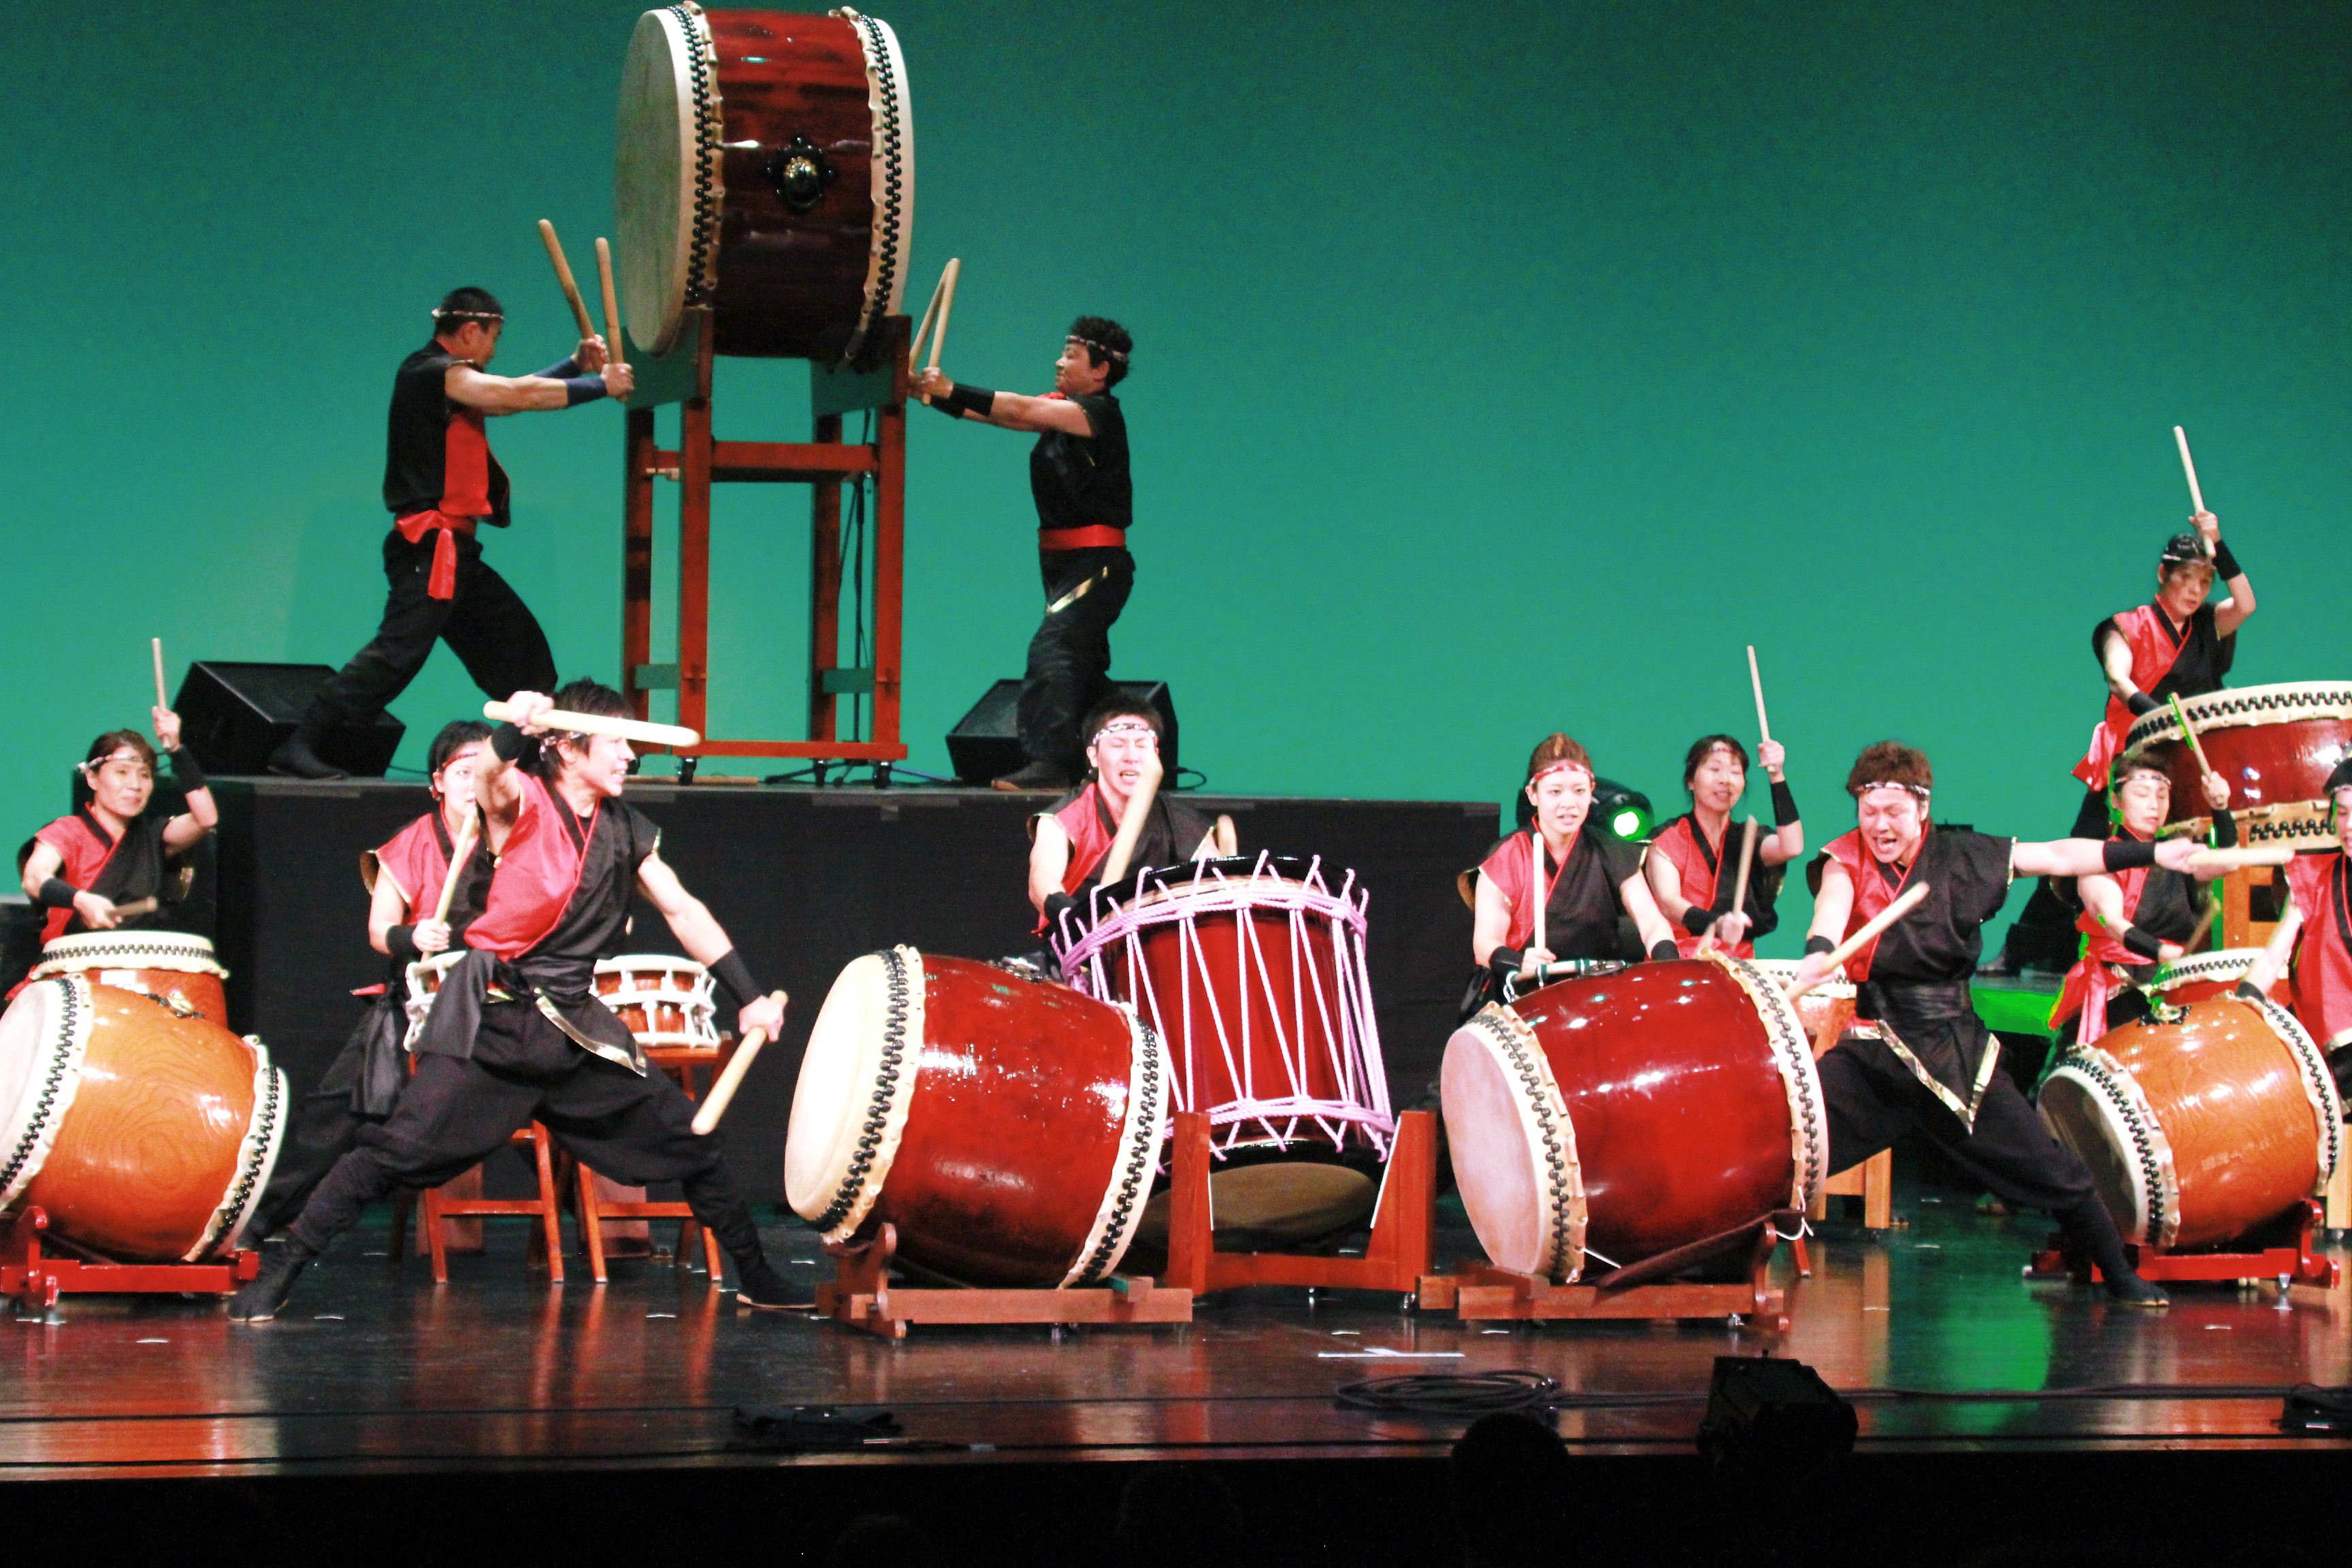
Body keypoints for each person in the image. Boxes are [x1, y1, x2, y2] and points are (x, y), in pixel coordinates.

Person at [235, 681, 796, 1319]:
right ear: (566, 747)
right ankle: (284, 1268)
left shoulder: (626, 829)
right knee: (391, 1153)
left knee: (691, 1144)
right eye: (615, 743)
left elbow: (682, 909)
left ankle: (755, 1273)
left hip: (574, 1033)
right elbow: (492, 776)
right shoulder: (521, 803)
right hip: (496, 1025)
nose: (629, 757)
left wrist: (748, 995)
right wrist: (512, 734)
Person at [1791, 741, 2202, 1305]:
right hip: (1876, 1052)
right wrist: (1820, 949)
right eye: (1869, 812)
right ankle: (1705, 1264)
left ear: (1923, 808)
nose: (1879, 825)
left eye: (1893, 812)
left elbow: (2057, 856)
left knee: (2055, 1172)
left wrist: (2147, 855)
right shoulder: (1845, 860)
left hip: (1956, 1054)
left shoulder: (1962, 855)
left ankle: (2118, 1275)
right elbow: (1830, 912)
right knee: (1787, 1153)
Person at [268, 288, 634, 779]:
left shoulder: (453, 381)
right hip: (429, 548)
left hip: (457, 552)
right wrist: (600, 385)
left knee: (527, 663)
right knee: (396, 655)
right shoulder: (426, 372)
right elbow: (510, 392)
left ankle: (522, 767)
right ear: (469, 332)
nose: (494, 351)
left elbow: (506, 399)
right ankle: (300, 744)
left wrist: (574, 365)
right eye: (494, 339)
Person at [249, 721, 496, 1237]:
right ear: (438, 782)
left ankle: (618, 1235)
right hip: (415, 1000)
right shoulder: (411, 844)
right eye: (463, 771)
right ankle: (261, 1219)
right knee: (333, 1116)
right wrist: (413, 939)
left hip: (494, 1004)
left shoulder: (516, 841)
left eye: (486, 772)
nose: (474, 784)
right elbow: (379, 930)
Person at [1995, 514, 2255, 971]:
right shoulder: (2126, 627)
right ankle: (2027, 949)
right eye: (2184, 579)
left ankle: (2188, 949)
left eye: (2203, 581)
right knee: (2085, 846)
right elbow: (2119, 678)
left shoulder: (2210, 625)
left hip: (2185, 761)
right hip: (2130, 760)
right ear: (2162, 575)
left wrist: (2219, 542)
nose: (2194, 591)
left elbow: (2247, 603)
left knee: (2194, 852)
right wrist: (2159, 718)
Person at [915, 318, 1134, 791]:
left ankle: (1053, 767)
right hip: (1062, 563)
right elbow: (999, 415)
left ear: (1100, 371)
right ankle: (1136, 746)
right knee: (1087, 671)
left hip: (1095, 561)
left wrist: (951, 386)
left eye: (1071, 356)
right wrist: (930, 397)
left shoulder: (1097, 414)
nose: (1059, 361)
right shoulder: (1060, 410)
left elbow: (1017, 409)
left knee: (1053, 651)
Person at [1466, 734, 1680, 1016]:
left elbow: (1652, 923)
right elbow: (1485, 943)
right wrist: (1520, 962)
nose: (1569, 803)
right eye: (1555, 792)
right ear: (1533, 794)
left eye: (1579, 791)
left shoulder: (1612, 851)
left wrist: (1670, 965)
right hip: (1521, 1000)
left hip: (1599, 1000)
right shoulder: (1505, 856)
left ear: (1591, 791)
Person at [2051, 740, 2235, 1047]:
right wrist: (2165, 954)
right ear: (2116, 800)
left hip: (2169, 984)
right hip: (2119, 990)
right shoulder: (2098, 859)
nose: (2154, 805)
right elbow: (2113, 923)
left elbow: (2227, 863)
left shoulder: (2175, 853)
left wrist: (2221, 808)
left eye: (2162, 796)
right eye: (2142, 795)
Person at [1028, 695, 1232, 934]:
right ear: (1094, 756)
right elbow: (1041, 881)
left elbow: (1214, 881)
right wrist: (1077, 920)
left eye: (1142, 745)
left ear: (1155, 754)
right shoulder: (1065, 819)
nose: (1131, 756)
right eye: (1117, 745)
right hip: (1076, 950)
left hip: (1154, 947)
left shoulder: (1181, 822)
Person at [18, 707, 216, 943]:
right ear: (92, 778)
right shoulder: (68, 831)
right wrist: (81, 900)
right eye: (122, 772)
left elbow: (206, 819)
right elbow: (33, 878)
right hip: (70, 965)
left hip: (139, 962)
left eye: (144, 775)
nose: (135, 784)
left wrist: (176, 750)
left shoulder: (154, 836)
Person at [2240, 758, 2352, 1103]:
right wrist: (2243, 1003)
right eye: (2344, 813)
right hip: (2332, 1055)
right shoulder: (2314, 877)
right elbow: (2275, 955)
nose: (2350, 825)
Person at [1644, 734, 1803, 959]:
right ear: (1691, 781)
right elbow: (1669, 903)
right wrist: (1718, 924)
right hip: (1677, 960)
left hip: (1738, 965)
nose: (1726, 780)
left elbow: (1792, 847)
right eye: (1715, 769)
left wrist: (1777, 775)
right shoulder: (1669, 838)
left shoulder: (1748, 838)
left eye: (1735, 772)